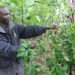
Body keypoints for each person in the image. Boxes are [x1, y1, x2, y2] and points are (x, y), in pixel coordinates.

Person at [0, 6, 57, 75]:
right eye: (5, 14)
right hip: (4, 70)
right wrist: (27, 47)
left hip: (18, 68)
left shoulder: (13, 26)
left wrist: (46, 27)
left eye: (9, 14)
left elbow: (27, 30)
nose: (9, 16)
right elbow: (7, 50)